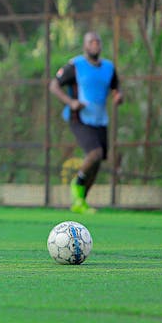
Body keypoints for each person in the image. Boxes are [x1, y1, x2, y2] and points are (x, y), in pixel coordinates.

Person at [49, 31, 123, 214]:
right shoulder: (75, 65)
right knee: (95, 153)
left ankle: (80, 200)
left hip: (100, 119)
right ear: (85, 45)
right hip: (79, 117)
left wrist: (118, 96)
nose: (95, 44)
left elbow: (116, 87)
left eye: (97, 41)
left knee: (97, 162)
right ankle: (77, 182)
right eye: (91, 42)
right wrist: (71, 102)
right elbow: (54, 85)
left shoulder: (109, 67)